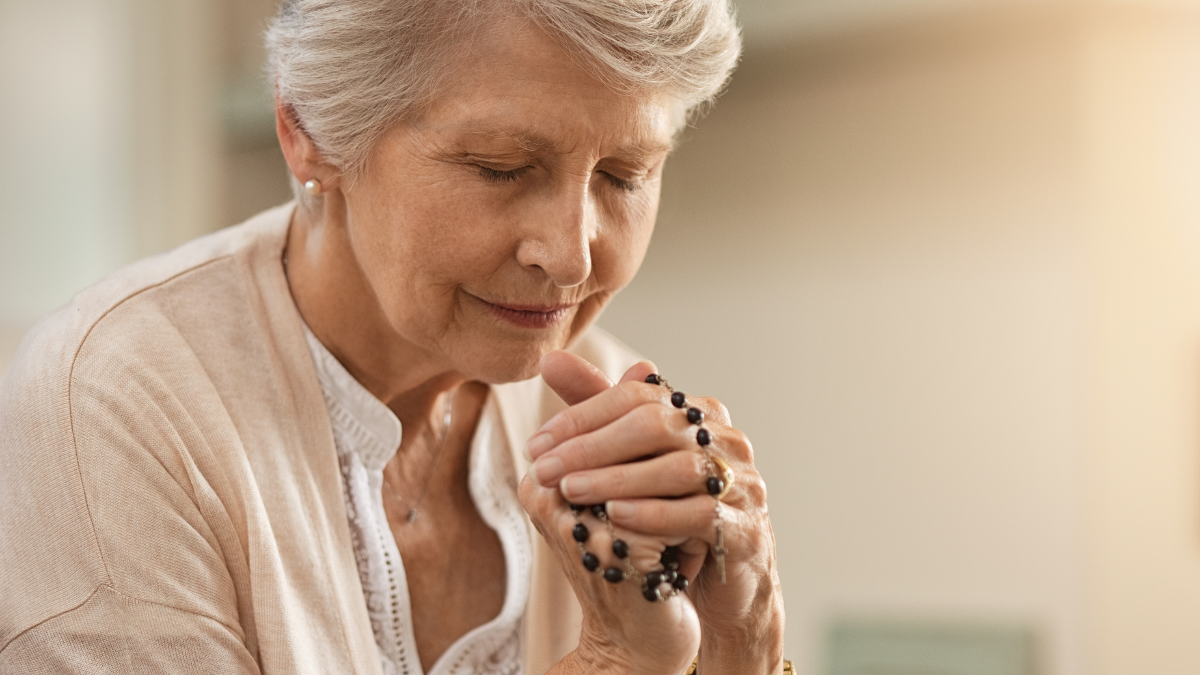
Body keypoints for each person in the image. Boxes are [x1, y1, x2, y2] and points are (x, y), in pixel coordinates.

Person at [0, 0, 786, 673]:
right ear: (306, 130)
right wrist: (615, 661)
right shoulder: (112, 402)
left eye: (625, 175)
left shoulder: (604, 398)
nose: (572, 254)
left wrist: (739, 637)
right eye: (501, 166)